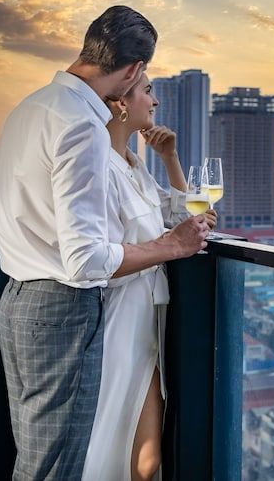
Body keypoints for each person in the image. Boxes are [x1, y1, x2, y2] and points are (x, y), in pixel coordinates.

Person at [0, 6, 210, 480]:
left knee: (43, 459)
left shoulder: (30, 107)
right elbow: (86, 258)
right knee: (57, 466)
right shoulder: (79, 122)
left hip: (20, 298)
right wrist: (173, 247)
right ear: (132, 70)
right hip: (61, 305)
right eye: (145, 83)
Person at [82, 72, 216, 481]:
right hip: (119, 320)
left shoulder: (134, 164)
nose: (155, 103)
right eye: (147, 91)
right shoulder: (98, 167)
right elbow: (99, 257)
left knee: (144, 458)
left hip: (147, 319)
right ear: (122, 102)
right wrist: (168, 244)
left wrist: (170, 158)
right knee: (120, 446)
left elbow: (189, 218)